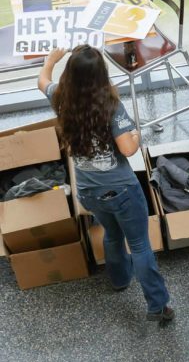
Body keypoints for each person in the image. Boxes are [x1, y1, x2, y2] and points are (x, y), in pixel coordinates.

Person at [38, 46, 174, 322]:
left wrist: (51, 61)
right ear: (101, 76)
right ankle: (157, 306)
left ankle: (119, 280)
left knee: (111, 234)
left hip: (87, 191)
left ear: (70, 74)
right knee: (139, 245)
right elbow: (127, 149)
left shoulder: (61, 97)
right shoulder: (111, 106)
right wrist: (135, 134)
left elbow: (42, 81)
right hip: (121, 190)